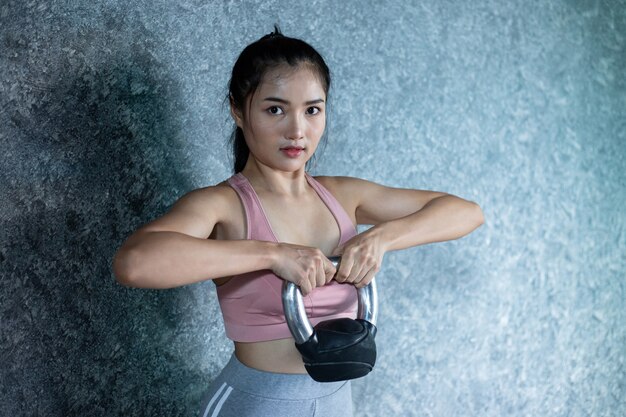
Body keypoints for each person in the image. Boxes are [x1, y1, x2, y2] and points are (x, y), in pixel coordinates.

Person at [113, 27, 484, 417]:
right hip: (253, 404)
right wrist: (273, 255)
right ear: (238, 111)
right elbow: (134, 263)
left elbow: (466, 212)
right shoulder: (222, 205)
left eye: (312, 109)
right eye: (275, 109)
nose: (297, 130)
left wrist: (382, 237)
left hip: (335, 403)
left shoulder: (344, 195)